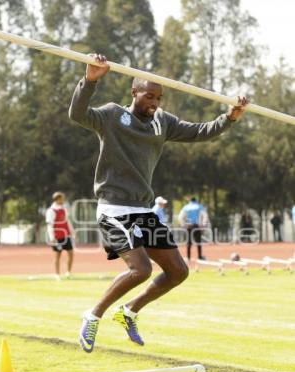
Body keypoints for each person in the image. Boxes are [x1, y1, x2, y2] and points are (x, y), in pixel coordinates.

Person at [69, 53, 247, 353]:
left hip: (144, 210)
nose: (154, 102)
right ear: (134, 92)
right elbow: (78, 114)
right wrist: (89, 80)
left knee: (178, 271)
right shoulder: (112, 116)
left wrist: (229, 117)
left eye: (159, 97)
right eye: (149, 95)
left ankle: (129, 311)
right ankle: (93, 314)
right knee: (140, 269)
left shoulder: (162, 122)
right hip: (115, 209)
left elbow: (201, 132)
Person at [46, 192, 74, 280]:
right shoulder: (51, 210)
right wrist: (52, 238)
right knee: (57, 255)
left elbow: (67, 221)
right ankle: (57, 274)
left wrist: (72, 231)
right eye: (62, 198)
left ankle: (68, 273)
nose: (63, 200)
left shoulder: (64, 209)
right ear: (57, 199)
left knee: (71, 253)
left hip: (66, 235)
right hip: (57, 236)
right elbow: (49, 225)